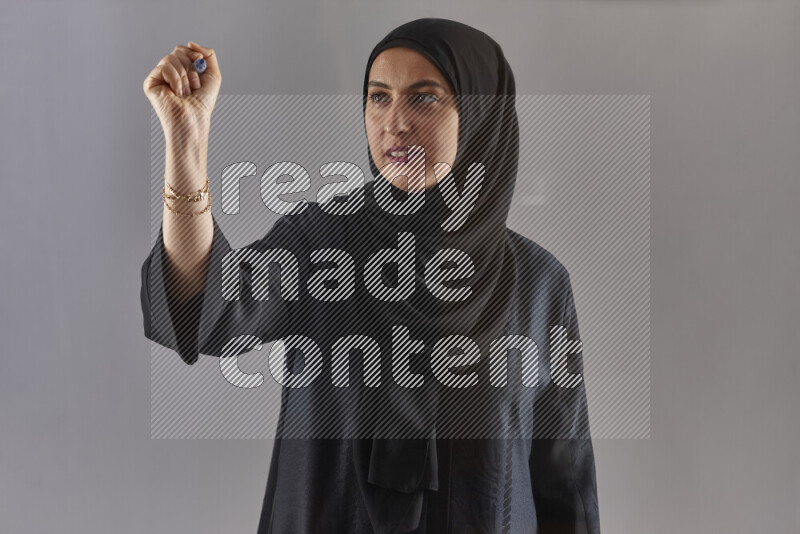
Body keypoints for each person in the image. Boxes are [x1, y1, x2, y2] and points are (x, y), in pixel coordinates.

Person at [141, 17, 600, 533]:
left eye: (424, 98)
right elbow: (209, 308)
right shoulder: (321, 245)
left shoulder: (538, 285)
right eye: (379, 97)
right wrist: (186, 142)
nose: (395, 122)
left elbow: (564, 483)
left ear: (480, 116)